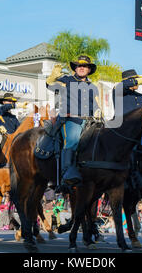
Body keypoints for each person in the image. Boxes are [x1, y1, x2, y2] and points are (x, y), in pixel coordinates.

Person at [46, 55, 101, 188]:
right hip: (70, 119)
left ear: (89, 70)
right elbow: (49, 85)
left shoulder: (92, 86)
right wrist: (52, 77)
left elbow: (96, 104)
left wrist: (99, 111)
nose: (82, 68)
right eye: (79, 65)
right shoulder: (66, 80)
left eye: (85, 66)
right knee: (73, 140)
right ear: (75, 68)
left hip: (89, 121)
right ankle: (67, 174)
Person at [112, 69, 142, 191]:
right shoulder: (119, 90)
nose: (137, 82)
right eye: (134, 80)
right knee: (130, 150)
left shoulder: (139, 96)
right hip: (122, 128)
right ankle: (132, 176)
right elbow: (126, 84)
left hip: (140, 130)